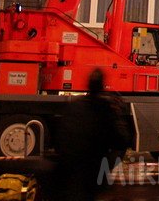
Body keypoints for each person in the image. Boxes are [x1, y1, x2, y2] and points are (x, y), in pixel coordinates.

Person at [52, 69, 131, 200]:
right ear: (102, 86)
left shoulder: (74, 105)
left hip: (70, 172)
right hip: (92, 173)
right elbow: (121, 139)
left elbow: (61, 137)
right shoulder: (105, 108)